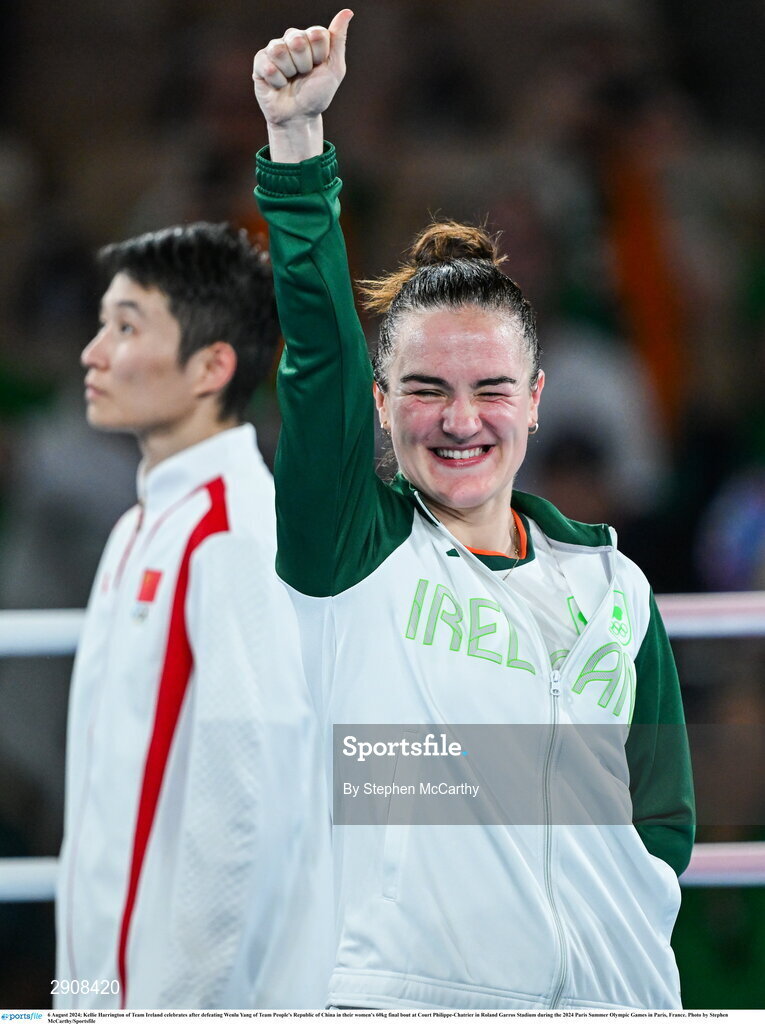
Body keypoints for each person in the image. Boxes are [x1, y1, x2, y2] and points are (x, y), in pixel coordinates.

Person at [252, 10, 695, 1012]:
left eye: (492, 388)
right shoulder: (352, 552)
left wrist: (626, 919)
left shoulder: (613, 582)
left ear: (536, 398)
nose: (461, 421)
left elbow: (663, 818)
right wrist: (297, 145)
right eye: (424, 389)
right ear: (378, 404)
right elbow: (319, 353)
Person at [55, 223, 333, 1009]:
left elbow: (247, 806)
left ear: (213, 365)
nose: (93, 353)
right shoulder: (138, 526)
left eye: (126, 327)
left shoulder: (234, 532)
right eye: (102, 324)